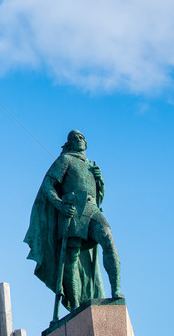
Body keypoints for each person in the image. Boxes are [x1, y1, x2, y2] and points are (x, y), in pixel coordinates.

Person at [24, 130, 123, 312]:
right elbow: (48, 185)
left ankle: (116, 290)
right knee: (72, 257)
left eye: (81, 137)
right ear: (69, 144)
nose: (78, 139)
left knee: (108, 238)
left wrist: (100, 183)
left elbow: (99, 197)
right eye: (73, 138)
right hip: (72, 208)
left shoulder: (91, 166)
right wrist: (60, 205)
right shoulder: (66, 159)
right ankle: (76, 305)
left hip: (91, 208)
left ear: (85, 142)